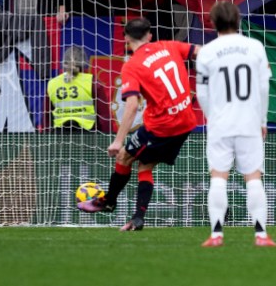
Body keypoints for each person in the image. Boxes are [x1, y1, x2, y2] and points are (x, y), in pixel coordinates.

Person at [77, 17, 199, 232]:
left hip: (161, 126)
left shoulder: (132, 66)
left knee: (124, 155)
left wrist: (117, 140)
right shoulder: (169, 46)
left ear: (125, 38)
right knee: (145, 165)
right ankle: (137, 218)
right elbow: (199, 51)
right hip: (186, 121)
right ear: (150, 35)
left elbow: (132, 106)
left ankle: (109, 201)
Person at [196, 1, 275, 247]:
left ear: (212, 22)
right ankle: (261, 235)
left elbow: (202, 93)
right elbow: (264, 87)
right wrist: (262, 120)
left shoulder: (207, 52)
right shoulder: (255, 47)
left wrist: (213, 117)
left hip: (220, 123)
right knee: (253, 177)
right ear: (239, 20)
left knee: (218, 177)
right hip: (249, 122)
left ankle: (216, 234)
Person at [47, 46, 114, 132]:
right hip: (88, 136)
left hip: (59, 135)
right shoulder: (92, 82)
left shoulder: (52, 83)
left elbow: (46, 117)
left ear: (64, 62)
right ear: (84, 62)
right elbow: (104, 117)